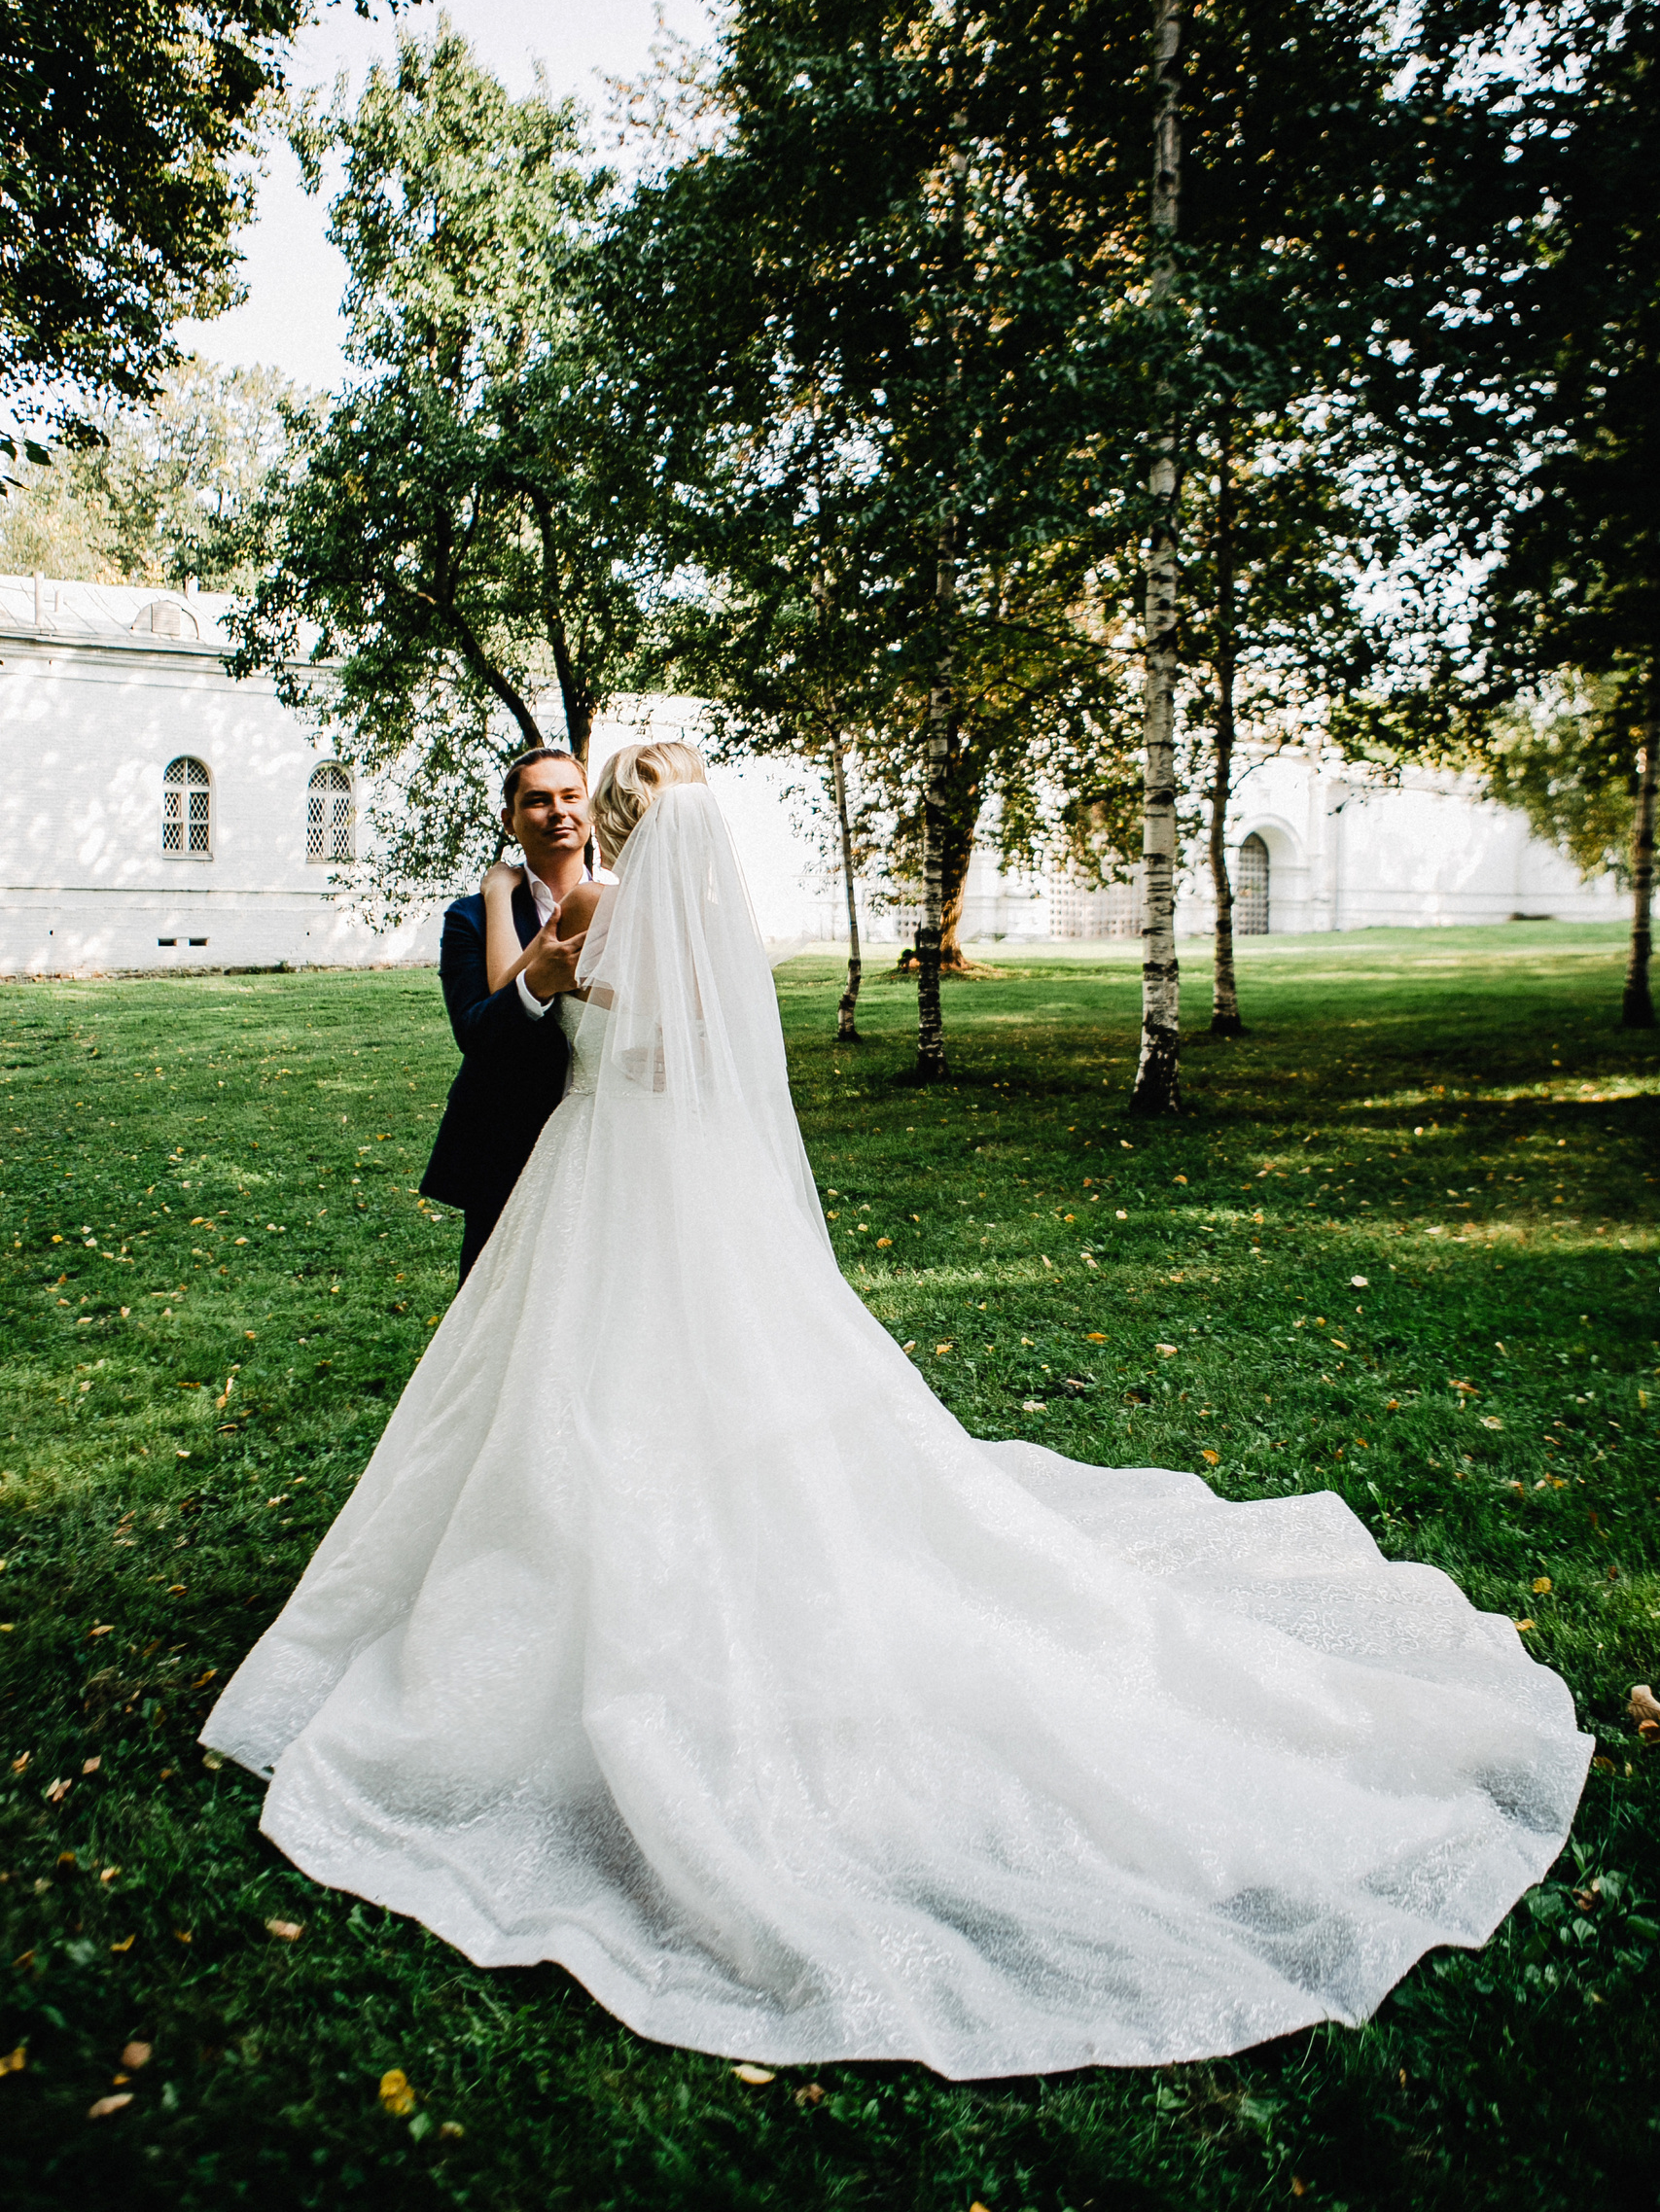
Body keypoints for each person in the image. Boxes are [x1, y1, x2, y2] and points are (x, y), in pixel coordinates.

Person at [204, 742, 1590, 2082]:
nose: (572, 819)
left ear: (614, 823)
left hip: (610, 1180)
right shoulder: (652, 916)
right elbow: (556, 1025)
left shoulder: (608, 917)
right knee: (636, 1402)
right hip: (637, 1182)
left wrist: (570, 966)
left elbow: (598, 1022)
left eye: (588, 803)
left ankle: (583, 1593)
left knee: (605, 1403)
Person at [420, 747, 589, 1281]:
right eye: (536, 801)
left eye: (571, 796)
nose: (557, 811)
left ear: (593, 809)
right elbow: (473, 1028)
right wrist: (533, 982)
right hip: (505, 1140)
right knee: (494, 1296)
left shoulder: (629, 899)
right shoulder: (470, 916)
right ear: (510, 820)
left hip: (605, 1136)